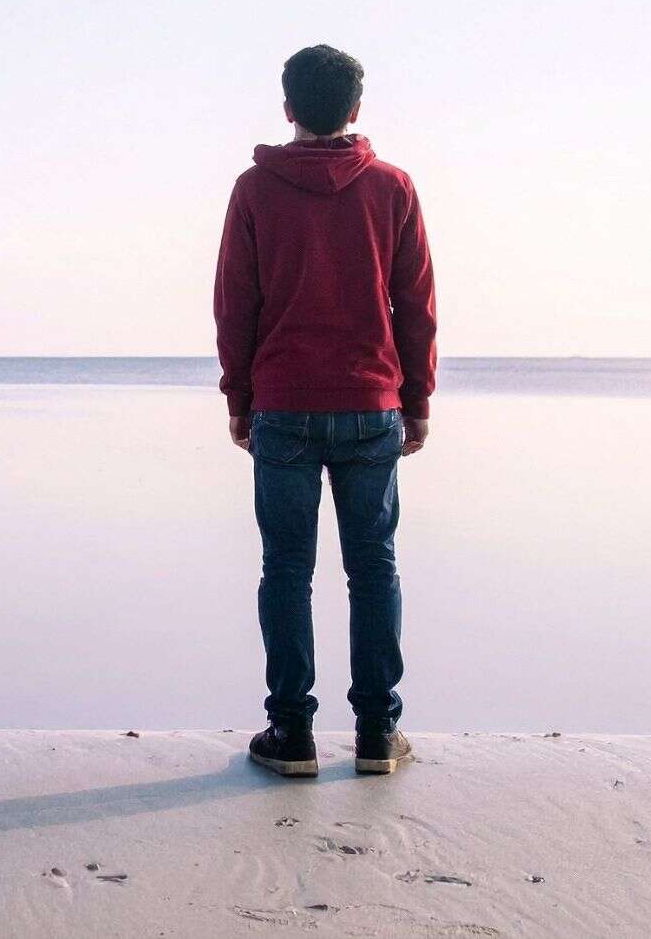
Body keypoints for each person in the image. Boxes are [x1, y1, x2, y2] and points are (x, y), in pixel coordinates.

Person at [214, 45, 436, 776]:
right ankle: (377, 732)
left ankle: (293, 733)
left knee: (287, 568)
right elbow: (417, 306)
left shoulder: (255, 190)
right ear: (356, 108)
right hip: (371, 405)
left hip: (283, 405)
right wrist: (418, 402)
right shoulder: (392, 188)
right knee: (373, 568)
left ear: (287, 109)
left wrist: (240, 398)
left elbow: (234, 306)